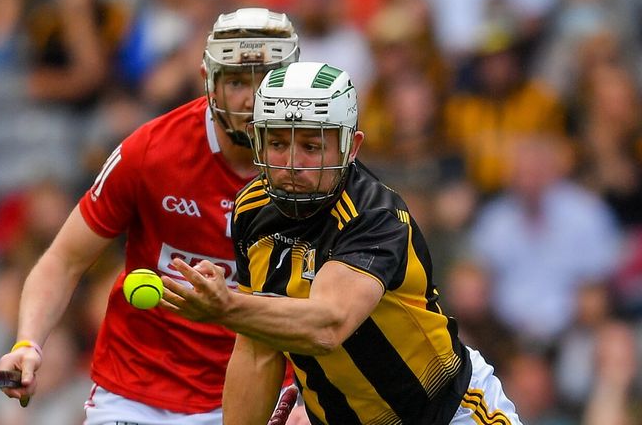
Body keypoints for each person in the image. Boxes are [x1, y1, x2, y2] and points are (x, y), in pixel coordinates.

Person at [162, 61, 521, 425]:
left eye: (311, 146)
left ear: (351, 147)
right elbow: (257, 351)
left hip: (445, 413)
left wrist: (225, 306)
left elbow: (327, 326)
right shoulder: (250, 211)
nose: (291, 164)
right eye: (277, 142)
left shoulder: (374, 214)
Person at [0, 7, 301, 425]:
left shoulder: (316, 169)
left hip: (261, 392)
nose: (252, 98)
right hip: (136, 392)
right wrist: (28, 342)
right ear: (209, 83)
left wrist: (308, 398)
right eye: (235, 81)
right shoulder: (150, 152)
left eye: (266, 80)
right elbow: (62, 260)